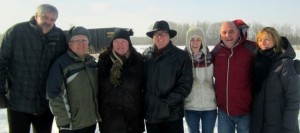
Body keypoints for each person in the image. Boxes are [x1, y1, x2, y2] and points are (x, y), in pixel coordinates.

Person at [0, 4, 67, 133]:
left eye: (52, 19)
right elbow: (1, 62)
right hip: (18, 102)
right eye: (45, 17)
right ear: (36, 16)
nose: (48, 22)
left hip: (45, 104)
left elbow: (64, 65)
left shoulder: (59, 36)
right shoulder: (17, 32)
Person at [46, 26, 100, 133]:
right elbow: (54, 95)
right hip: (72, 125)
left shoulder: (92, 63)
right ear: (69, 44)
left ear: (88, 42)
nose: (81, 43)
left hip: (91, 122)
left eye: (84, 40)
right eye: (76, 40)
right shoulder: (61, 64)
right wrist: (64, 121)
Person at [143, 20, 193, 133]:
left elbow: (185, 85)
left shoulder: (181, 57)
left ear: (169, 36)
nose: (160, 37)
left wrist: (165, 102)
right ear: (153, 37)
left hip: (172, 115)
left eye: (163, 33)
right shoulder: (146, 55)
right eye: (156, 34)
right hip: (152, 115)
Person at [250, 27, 300, 133]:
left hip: (280, 126)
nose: (263, 42)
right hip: (259, 125)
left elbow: (294, 99)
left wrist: (288, 127)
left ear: (276, 40)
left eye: (267, 39)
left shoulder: (285, 63)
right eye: (260, 40)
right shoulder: (257, 62)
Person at [211, 19, 256, 133]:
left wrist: (289, 63)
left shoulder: (250, 48)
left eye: (231, 31)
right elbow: (201, 63)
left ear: (238, 33)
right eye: (224, 32)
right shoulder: (217, 51)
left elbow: (269, 57)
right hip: (224, 111)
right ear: (220, 35)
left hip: (245, 111)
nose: (228, 35)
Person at [97, 28, 145, 133]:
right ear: (112, 44)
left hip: (133, 118)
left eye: (123, 41)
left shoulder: (138, 60)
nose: (120, 45)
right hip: (109, 119)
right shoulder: (103, 61)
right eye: (116, 42)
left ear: (129, 44)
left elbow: (145, 87)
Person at [184, 27, 217, 133]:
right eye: (192, 40)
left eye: (198, 39)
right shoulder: (182, 59)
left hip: (209, 107)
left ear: (202, 41)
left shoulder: (211, 58)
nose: (195, 43)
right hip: (190, 106)